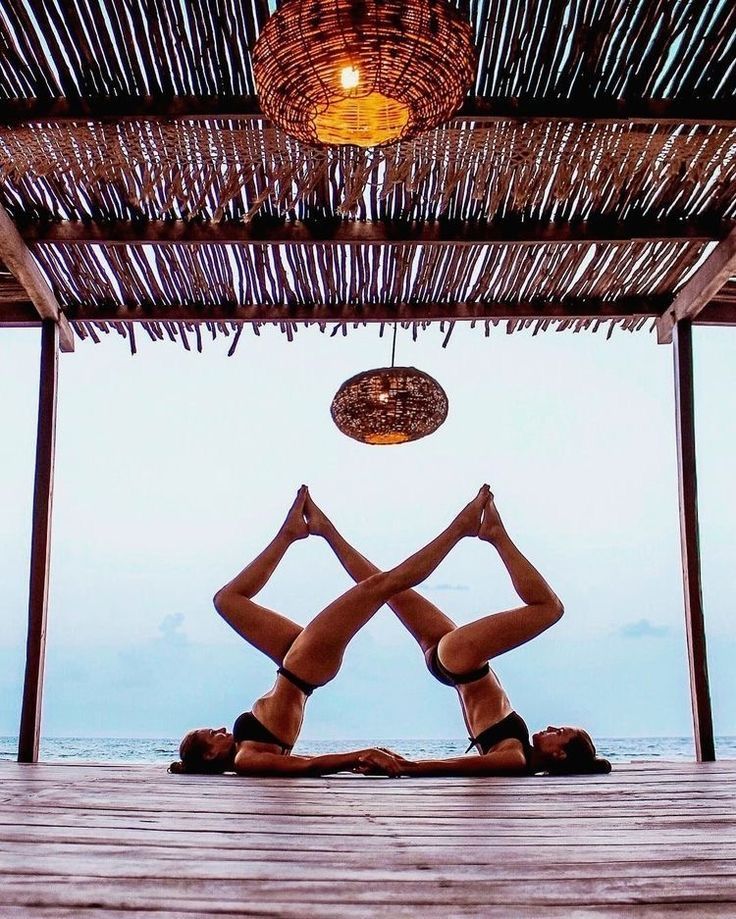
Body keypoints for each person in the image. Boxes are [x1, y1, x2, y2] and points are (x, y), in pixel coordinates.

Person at [170, 484, 491, 776]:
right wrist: (360, 755)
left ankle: (291, 533)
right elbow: (308, 765)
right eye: (212, 735)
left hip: (294, 662)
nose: (221, 730)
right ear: (210, 756)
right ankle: (458, 530)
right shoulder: (246, 759)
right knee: (385, 585)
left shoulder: (244, 751)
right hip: (304, 667)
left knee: (226, 600)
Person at [303, 489, 611, 777]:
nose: (552, 727)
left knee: (550, 609)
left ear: (560, 756)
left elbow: (461, 766)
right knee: (383, 586)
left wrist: (408, 766)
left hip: (462, 661)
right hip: (451, 667)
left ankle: (493, 535)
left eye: (560, 734)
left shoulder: (515, 758)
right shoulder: (520, 753)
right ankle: (325, 530)